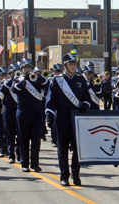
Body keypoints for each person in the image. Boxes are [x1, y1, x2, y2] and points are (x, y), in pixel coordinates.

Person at [45, 53, 91, 186]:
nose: (73, 67)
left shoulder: (81, 79)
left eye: (74, 64)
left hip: (76, 117)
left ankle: (75, 173)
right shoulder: (56, 80)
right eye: (70, 64)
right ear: (65, 66)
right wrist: (49, 117)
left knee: (77, 148)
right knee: (62, 148)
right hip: (62, 117)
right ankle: (64, 175)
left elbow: (87, 98)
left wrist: (85, 106)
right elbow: (50, 101)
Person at [13, 58, 49, 172]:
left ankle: (35, 164)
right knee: (23, 139)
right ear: (21, 69)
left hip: (37, 113)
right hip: (23, 112)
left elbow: (47, 84)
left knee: (36, 139)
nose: (27, 69)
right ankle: (24, 163)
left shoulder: (36, 79)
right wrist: (24, 80)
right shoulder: (17, 79)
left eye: (29, 67)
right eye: (25, 67)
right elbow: (15, 90)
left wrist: (37, 76)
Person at [1, 64, 20, 163]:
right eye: (13, 72)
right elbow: (2, 91)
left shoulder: (22, 82)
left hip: (19, 110)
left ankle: (19, 153)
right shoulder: (5, 82)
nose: (15, 74)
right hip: (8, 111)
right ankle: (11, 154)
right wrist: (11, 80)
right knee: (9, 134)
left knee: (20, 134)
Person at [47, 63, 63, 147]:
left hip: (60, 105)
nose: (58, 73)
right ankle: (54, 139)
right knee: (53, 124)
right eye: (56, 71)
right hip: (52, 104)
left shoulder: (63, 80)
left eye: (59, 71)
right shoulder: (50, 80)